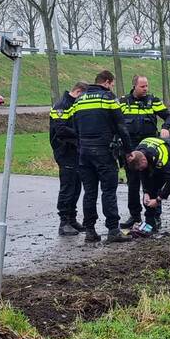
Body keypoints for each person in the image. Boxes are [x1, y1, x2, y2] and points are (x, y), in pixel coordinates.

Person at [70, 70, 134, 244]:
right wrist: (128, 151)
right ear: (106, 82)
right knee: (108, 191)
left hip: (84, 152)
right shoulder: (108, 99)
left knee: (89, 192)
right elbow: (121, 126)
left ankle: (90, 231)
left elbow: (74, 128)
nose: (112, 87)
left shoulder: (79, 101)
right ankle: (113, 230)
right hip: (104, 151)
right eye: (112, 84)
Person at [119, 75, 170, 229]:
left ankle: (154, 216)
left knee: (153, 183)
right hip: (130, 149)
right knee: (133, 183)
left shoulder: (152, 101)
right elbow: (115, 122)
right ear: (134, 86)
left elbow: (169, 115)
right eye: (142, 86)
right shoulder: (123, 102)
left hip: (150, 150)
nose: (146, 89)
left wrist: (165, 127)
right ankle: (134, 215)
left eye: (147, 86)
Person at [49, 81, 89, 236]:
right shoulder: (62, 105)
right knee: (67, 186)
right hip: (65, 151)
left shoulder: (74, 104)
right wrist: (81, 133)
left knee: (76, 185)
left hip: (75, 151)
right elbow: (60, 129)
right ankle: (64, 221)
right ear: (78, 92)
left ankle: (72, 218)